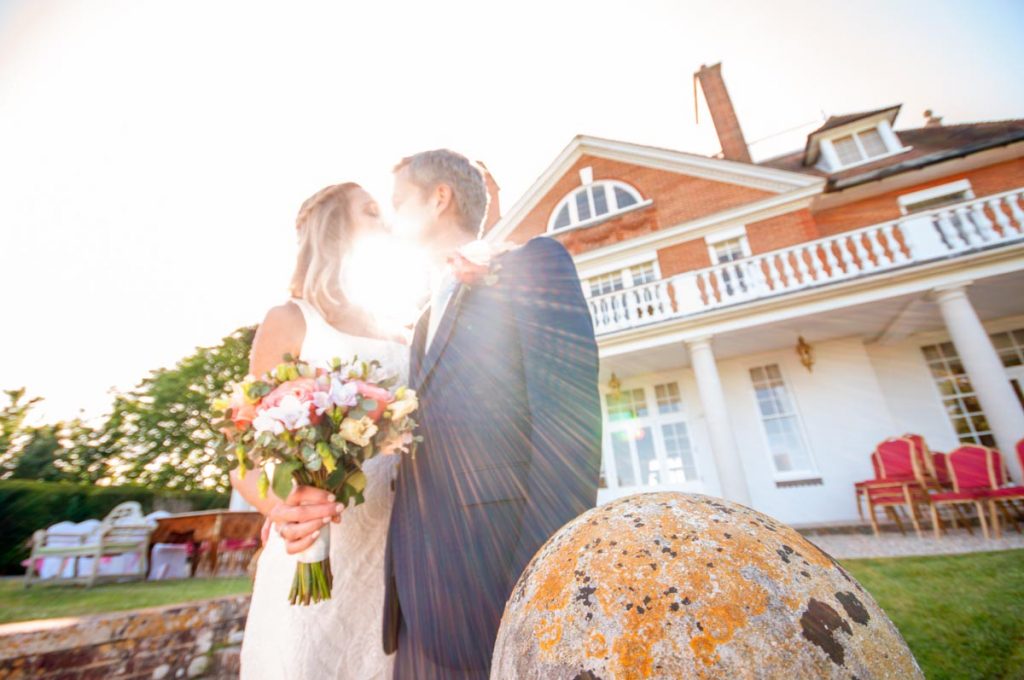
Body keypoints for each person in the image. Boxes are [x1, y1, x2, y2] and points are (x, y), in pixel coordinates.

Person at [276, 149, 602, 678]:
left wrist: (540, 588)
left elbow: (570, 433)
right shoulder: (421, 313)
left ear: (439, 199)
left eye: (399, 202)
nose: (390, 217)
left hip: (492, 584)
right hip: (412, 601)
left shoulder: (528, 264)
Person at [233, 182, 408, 680]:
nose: (388, 221)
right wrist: (281, 510)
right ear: (335, 229)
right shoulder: (292, 320)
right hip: (315, 547)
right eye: (372, 212)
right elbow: (242, 457)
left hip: (393, 555)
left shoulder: (404, 327)